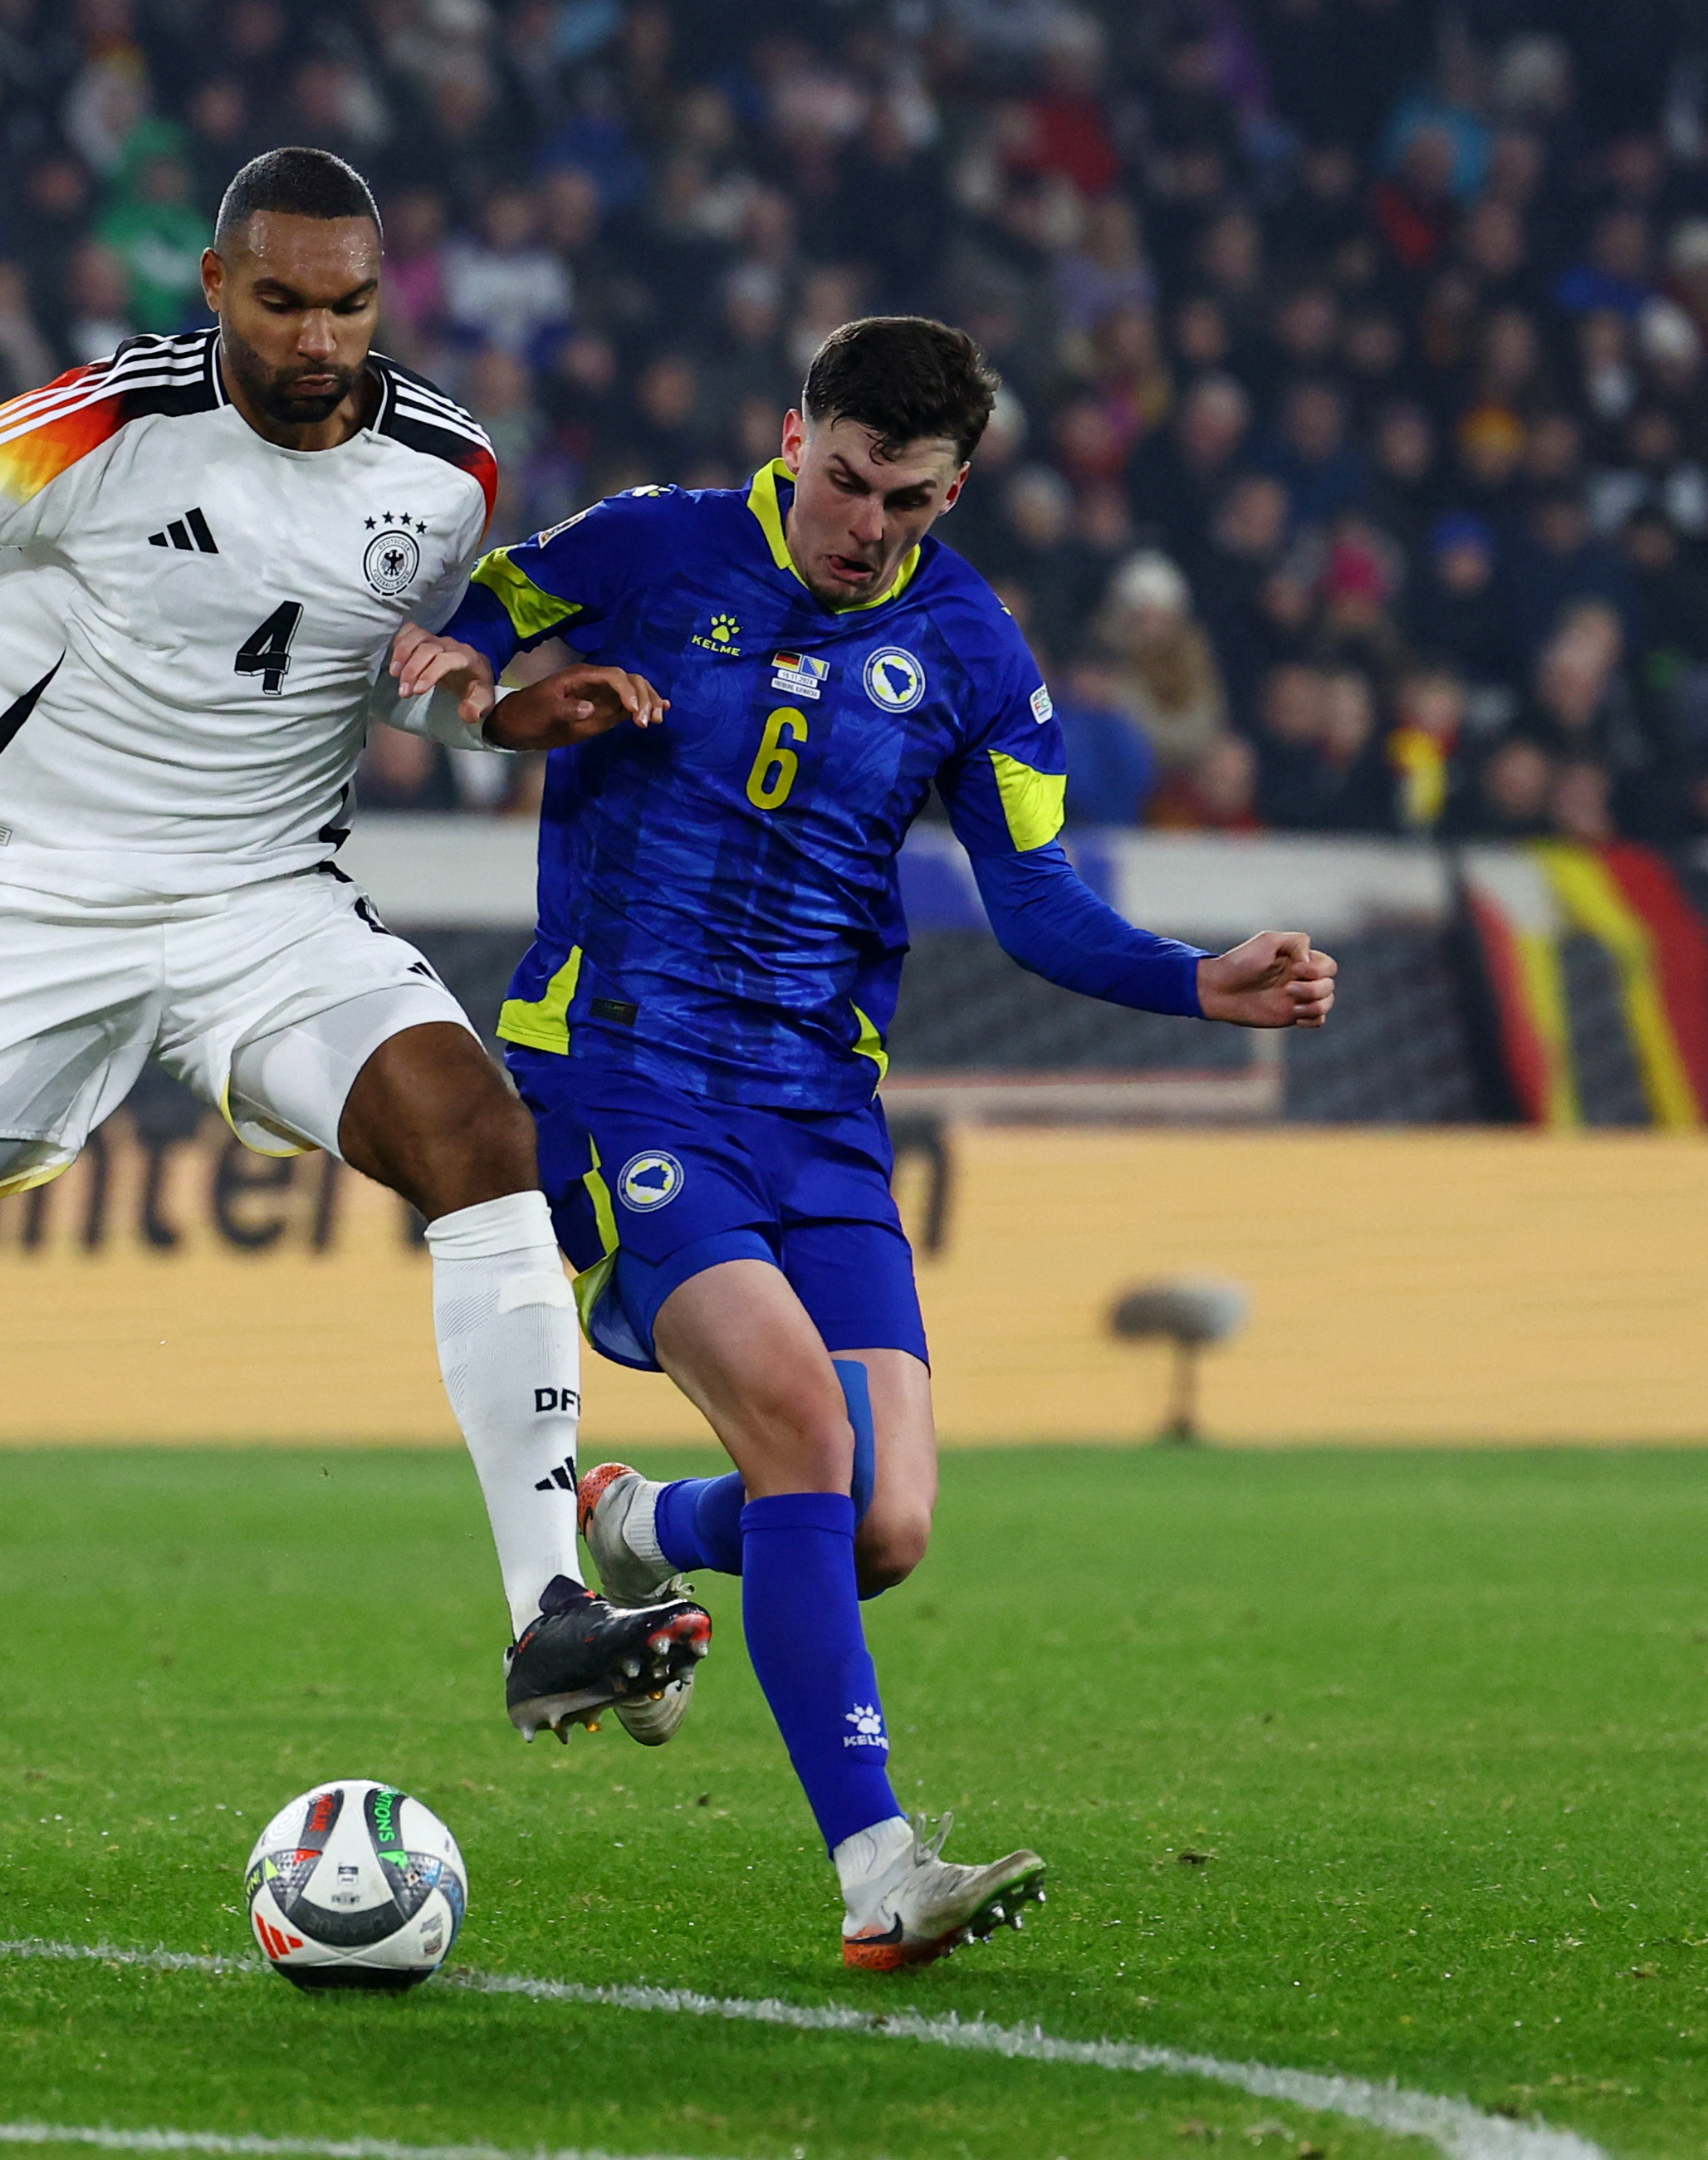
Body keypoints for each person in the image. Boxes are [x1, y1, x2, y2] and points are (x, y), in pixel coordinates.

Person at [0, 148, 704, 1741]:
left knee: (481, 1144)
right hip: (36, 905)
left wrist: (503, 717)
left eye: (348, 306)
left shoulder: (446, 470)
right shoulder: (93, 425)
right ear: (213, 285)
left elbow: (373, 673)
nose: (318, 340)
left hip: (266, 903)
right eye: (282, 302)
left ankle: (548, 1611)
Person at [399, 316, 1338, 1969]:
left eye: (907, 500)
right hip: (625, 1076)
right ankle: (879, 1868)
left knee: (884, 1518)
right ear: (793, 438)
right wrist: (484, 687)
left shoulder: (970, 647)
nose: (866, 525)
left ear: (950, 489)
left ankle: (639, 1526)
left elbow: (1032, 898)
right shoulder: (650, 546)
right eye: (844, 481)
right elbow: (466, 637)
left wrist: (1194, 980)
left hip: (823, 1114)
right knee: (802, 1427)